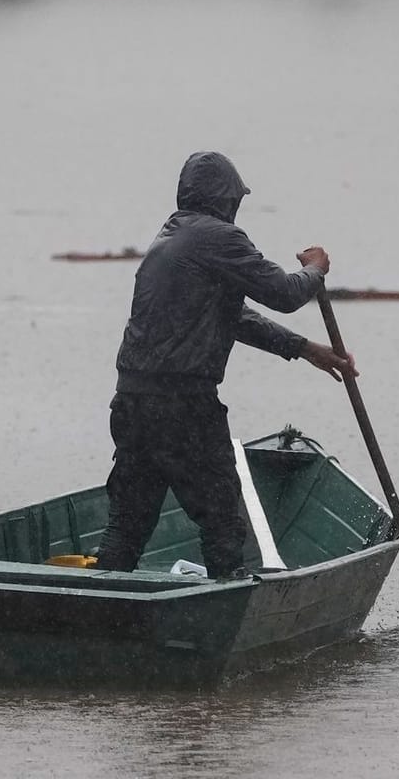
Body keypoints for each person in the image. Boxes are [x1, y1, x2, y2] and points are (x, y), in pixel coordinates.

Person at [96, 151, 356, 579]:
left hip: (133, 403)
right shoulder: (219, 238)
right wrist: (315, 270)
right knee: (222, 522)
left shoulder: (170, 239)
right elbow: (287, 294)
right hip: (183, 408)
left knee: (128, 523)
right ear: (225, 199)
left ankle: (99, 608)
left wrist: (305, 348)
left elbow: (231, 316)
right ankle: (225, 611)